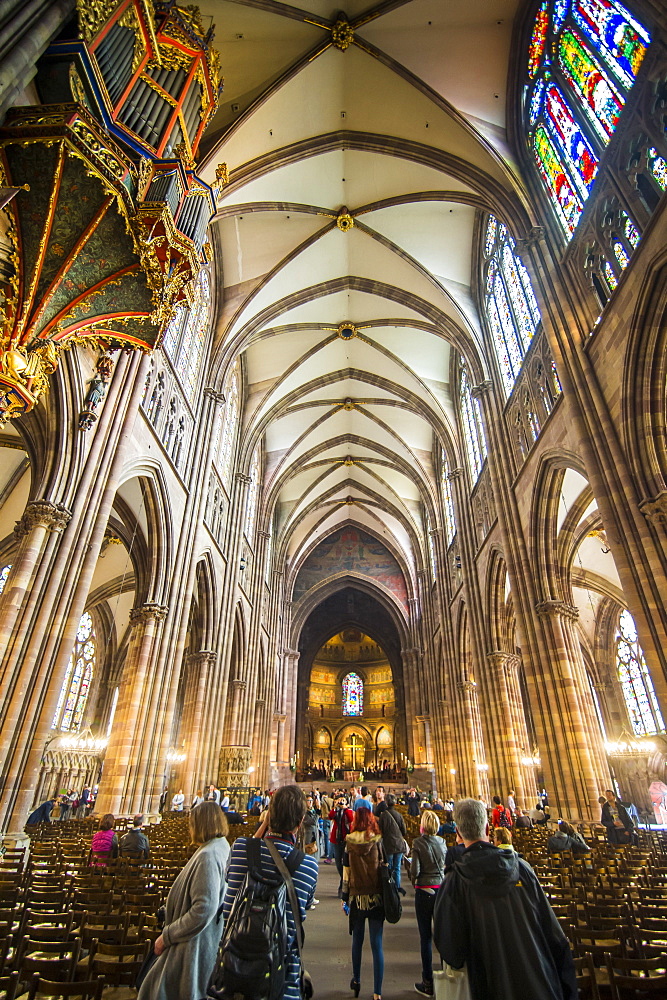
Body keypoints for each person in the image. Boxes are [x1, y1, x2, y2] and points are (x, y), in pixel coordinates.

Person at [433, 798, 577, 1000]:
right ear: (487, 827)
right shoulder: (523, 869)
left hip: (488, 986)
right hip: (539, 984)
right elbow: (554, 936)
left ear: (458, 833)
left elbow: (451, 951)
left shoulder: (454, 881)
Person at [223, 785, 318, 1000]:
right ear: (300, 822)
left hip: (234, 969)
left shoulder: (240, 848)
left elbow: (245, 854)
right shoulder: (309, 866)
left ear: (269, 815)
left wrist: (265, 825)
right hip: (282, 976)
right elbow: (304, 908)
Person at [138, 802, 230, 1000]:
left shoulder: (208, 855)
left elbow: (203, 908)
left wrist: (168, 935)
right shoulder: (217, 848)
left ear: (201, 824)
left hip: (190, 945)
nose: (189, 828)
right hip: (194, 940)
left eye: (192, 823)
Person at [343, 807, 385, 1000]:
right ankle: (377, 992)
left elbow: (346, 873)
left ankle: (357, 980)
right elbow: (385, 866)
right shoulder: (377, 841)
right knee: (377, 944)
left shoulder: (349, 841)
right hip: (376, 896)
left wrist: (344, 898)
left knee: (357, 941)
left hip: (357, 896)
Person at [410, 810, 446, 997]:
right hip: (440, 890)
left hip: (424, 891)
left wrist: (412, 878)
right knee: (442, 934)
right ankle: (447, 979)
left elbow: (415, 870)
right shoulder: (442, 842)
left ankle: (428, 982)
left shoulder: (418, 843)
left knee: (426, 937)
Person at [376, 792, 407, 893]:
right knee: (397, 867)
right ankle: (397, 887)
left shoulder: (383, 815)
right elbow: (404, 831)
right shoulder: (399, 815)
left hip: (388, 844)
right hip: (398, 844)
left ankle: (389, 887)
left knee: (388, 866)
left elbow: (380, 830)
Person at [330, 794, 355, 897]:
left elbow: (351, 819)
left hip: (345, 840)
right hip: (336, 840)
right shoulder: (336, 811)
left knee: (345, 863)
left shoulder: (348, 811)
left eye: (343, 800)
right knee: (338, 863)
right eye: (340, 800)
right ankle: (343, 879)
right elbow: (330, 816)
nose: (341, 802)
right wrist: (335, 806)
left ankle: (342, 885)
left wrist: (345, 808)